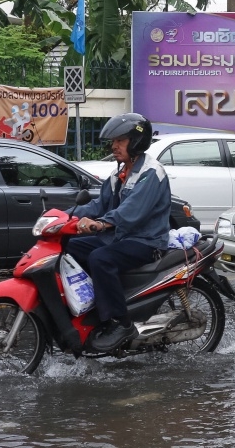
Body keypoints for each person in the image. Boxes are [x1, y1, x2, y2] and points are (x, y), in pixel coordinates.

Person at [68, 113, 171, 352]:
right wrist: (65, 216)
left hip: (146, 241)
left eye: (120, 141)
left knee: (100, 258)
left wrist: (101, 224)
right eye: (113, 141)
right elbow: (99, 204)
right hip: (122, 238)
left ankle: (121, 323)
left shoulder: (151, 173)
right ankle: (93, 305)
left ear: (136, 142)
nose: (114, 146)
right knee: (70, 247)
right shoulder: (121, 173)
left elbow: (131, 211)